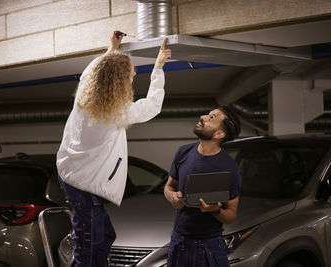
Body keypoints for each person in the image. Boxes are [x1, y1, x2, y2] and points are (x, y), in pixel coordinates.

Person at [57, 31, 171, 267]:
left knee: (105, 237)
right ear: (118, 81)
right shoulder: (115, 113)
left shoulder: (85, 93)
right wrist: (158, 68)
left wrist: (112, 49)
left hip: (71, 174)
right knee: (88, 251)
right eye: (131, 73)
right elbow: (151, 106)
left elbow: (94, 70)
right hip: (84, 186)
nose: (134, 75)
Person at [164, 106, 241, 267]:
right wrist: (172, 197)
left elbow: (231, 215)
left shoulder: (230, 168)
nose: (203, 116)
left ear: (219, 134)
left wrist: (216, 210)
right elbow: (169, 187)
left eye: (211, 118)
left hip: (210, 247)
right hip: (179, 243)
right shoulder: (183, 153)